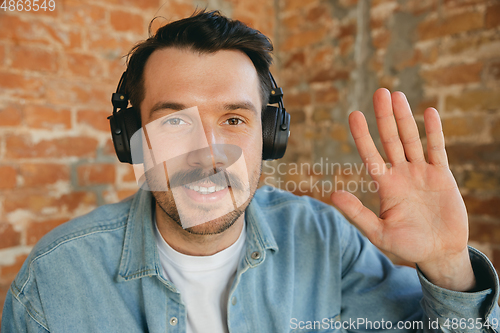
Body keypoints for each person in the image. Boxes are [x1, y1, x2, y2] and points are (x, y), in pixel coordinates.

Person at [2, 9, 499, 333]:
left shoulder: (327, 240)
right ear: (133, 138)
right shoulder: (54, 279)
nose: (207, 152)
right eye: (174, 120)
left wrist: (449, 266)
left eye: (234, 119)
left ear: (270, 136)